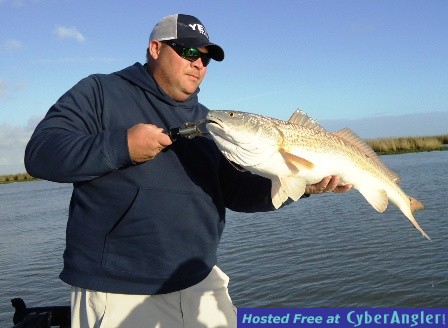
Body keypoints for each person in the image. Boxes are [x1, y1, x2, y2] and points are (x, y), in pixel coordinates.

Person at [25, 14, 351, 328]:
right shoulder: (100, 92)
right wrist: (122, 146)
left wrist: (306, 188)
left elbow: (235, 192)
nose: (198, 64)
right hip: (120, 292)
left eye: (206, 59)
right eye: (189, 52)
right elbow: (41, 153)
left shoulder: (210, 121)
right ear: (155, 48)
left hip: (201, 282)